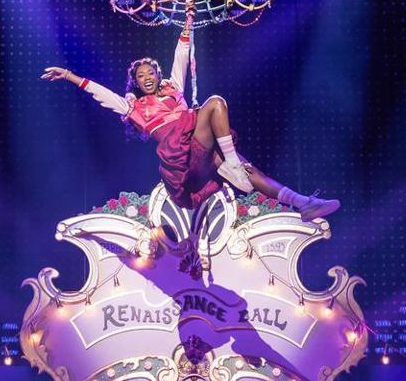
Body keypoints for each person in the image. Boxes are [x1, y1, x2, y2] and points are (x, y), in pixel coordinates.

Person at [42, 18, 340, 232]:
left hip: (204, 152)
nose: (146, 78)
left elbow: (180, 57)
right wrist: (69, 75)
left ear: (157, 75)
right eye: (141, 76)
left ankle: (302, 203)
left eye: (150, 73)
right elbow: (102, 94)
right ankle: (232, 164)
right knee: (213, 104)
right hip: (184, 160)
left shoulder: (173, 87)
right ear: (135, 81)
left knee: (250, 172)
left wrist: (188, 21)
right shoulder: (133, 106)